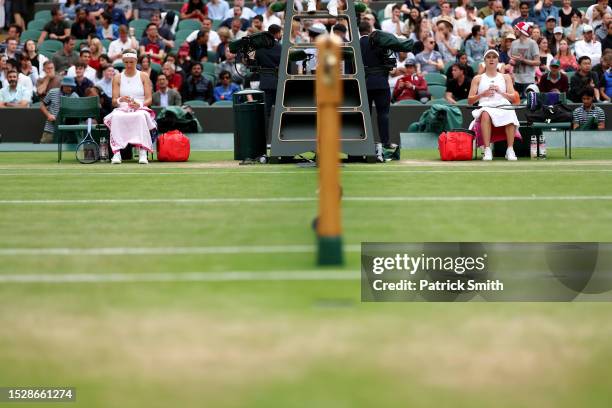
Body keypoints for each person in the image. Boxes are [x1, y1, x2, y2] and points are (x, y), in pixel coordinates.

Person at [468, 49, 520, 161]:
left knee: (510, 111)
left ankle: (510, 149)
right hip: (486, 106)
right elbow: (470, 100)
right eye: (488, 57)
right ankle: (487, 149)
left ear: (498, 61)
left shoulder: (505, 77)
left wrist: (501, 92)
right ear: (484, 61)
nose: (491, 59)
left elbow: (513, 97)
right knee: (486, 114)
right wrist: (482, 94)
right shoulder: (477, 78)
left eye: (494, 57)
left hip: (502, 105)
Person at [104, 50, 155, 164]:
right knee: (116, 116)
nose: (128, 65)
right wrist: (120, 100)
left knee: (140, 116)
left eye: (131, 62)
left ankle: (142, 153)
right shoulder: (117, 77)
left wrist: (139, 105)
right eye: (126, 62)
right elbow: (113, 101)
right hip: (122, 109)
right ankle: (117, 153)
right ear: (123, 62)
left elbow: (149, 99)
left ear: (136, 61)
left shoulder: (143, 76)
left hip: (140, 108)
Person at [359, 21, 392, 161]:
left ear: (360, 31)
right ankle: (385, 142)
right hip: (381, 83)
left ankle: (364, 142)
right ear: (370, 29)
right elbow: (389, 62)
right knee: (383, 114)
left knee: (365, 116)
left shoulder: (357, 44)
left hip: (365, 84)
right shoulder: (379, 42)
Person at [254, 24, 282, 125]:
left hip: (265, 82)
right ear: (277, 33)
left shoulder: (259, 48)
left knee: (266, 112)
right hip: (279, 82)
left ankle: (265, 136)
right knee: (281, 110)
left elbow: (255, 63)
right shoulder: (281, 47)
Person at [39, 76, 79, 143]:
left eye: (71, 86)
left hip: (67, 131)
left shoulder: (75, 97)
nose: (70, 88)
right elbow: (42, 105)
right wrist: (48, 115)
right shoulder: (52, 92)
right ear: (62, 85)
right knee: (43, 149)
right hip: (50, 128)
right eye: (67, 86)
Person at [510, 22, 539, 97]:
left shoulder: (532, 43)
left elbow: (537, 62)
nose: (515, 30)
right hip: (516, 79)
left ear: (521, 30)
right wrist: (512, 62)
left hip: (528, 79)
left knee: (528, 103)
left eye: (517, 29)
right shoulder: (513, 43)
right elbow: (512, 60)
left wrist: (523, 60)